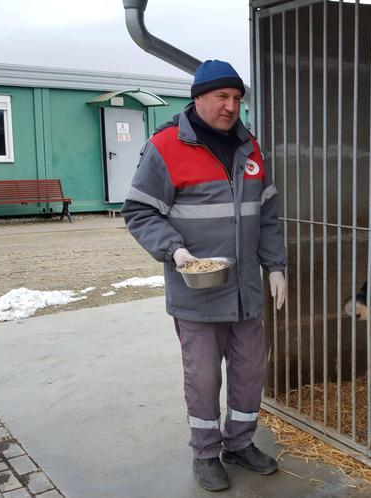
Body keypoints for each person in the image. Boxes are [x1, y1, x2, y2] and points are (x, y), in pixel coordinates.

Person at [121, 59, 287, 492]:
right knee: (204, 377)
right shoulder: (165, 146)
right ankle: (206, 453)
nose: (231, 106)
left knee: (251, 372)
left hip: (245, 291)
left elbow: (266, 214)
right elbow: (138, 210)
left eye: (236, 98)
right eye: (222, 97)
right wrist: (173, 250)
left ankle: (239, 443)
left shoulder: (250, 148)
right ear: (198, 98)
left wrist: (276, 267)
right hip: (197, 290)